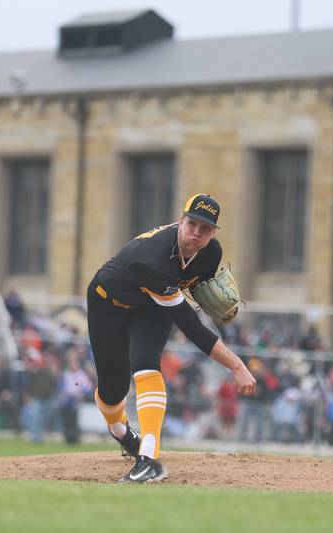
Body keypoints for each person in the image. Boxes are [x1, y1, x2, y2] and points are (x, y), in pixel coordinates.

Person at [87, 193, 256, 483]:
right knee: (112, 392)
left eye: (205, 229)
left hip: (151, 305)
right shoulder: (152, 258)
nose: (196, 234)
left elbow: (199, 298)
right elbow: (192, 327)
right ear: (180, 221)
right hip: (107, 303)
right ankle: (121, 432)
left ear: (213, 233)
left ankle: (149, 459)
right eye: (192, 224)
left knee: (146, 366)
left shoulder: (211, 253)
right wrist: (237, 366)